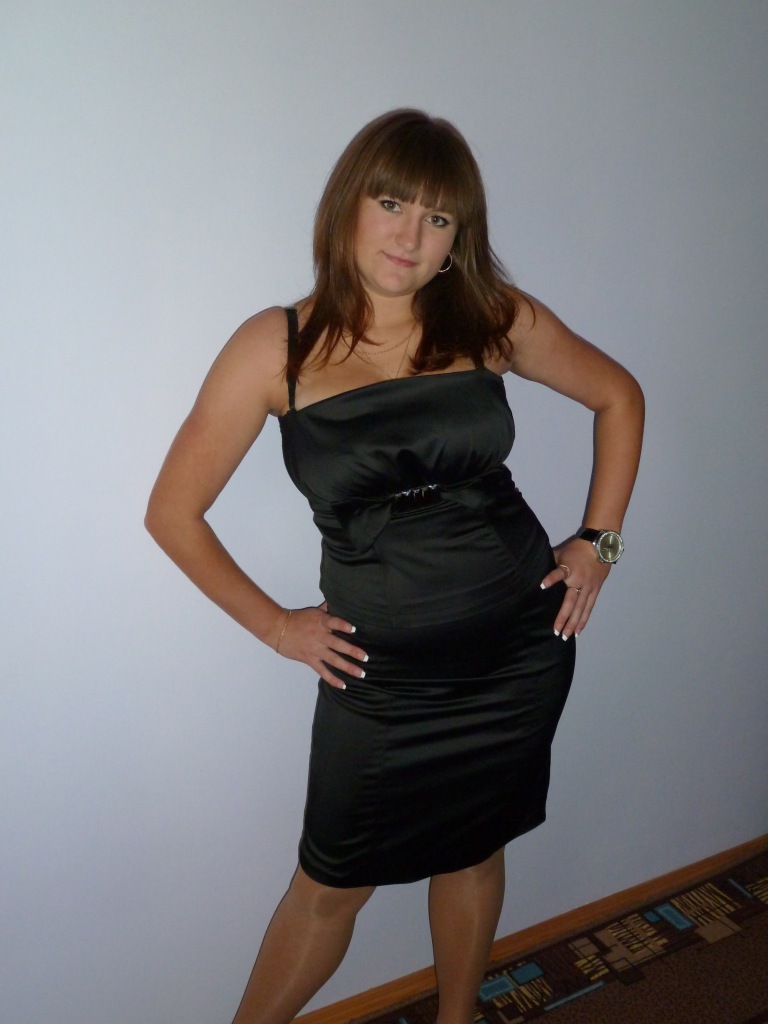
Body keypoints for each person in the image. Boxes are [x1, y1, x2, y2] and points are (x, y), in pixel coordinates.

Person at [145, 109, 644, 1024]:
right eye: (391, 204)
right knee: (329, 886)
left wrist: (598, 543)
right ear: (348, 206)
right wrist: (276, 626)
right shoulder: (276, 347)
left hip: (518, 650)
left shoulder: (491, 317)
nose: (410, 236)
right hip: (381, 676)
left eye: (438, 218)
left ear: (459, 238)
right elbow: (172, 514)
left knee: (476, 850)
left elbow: (619, 395)